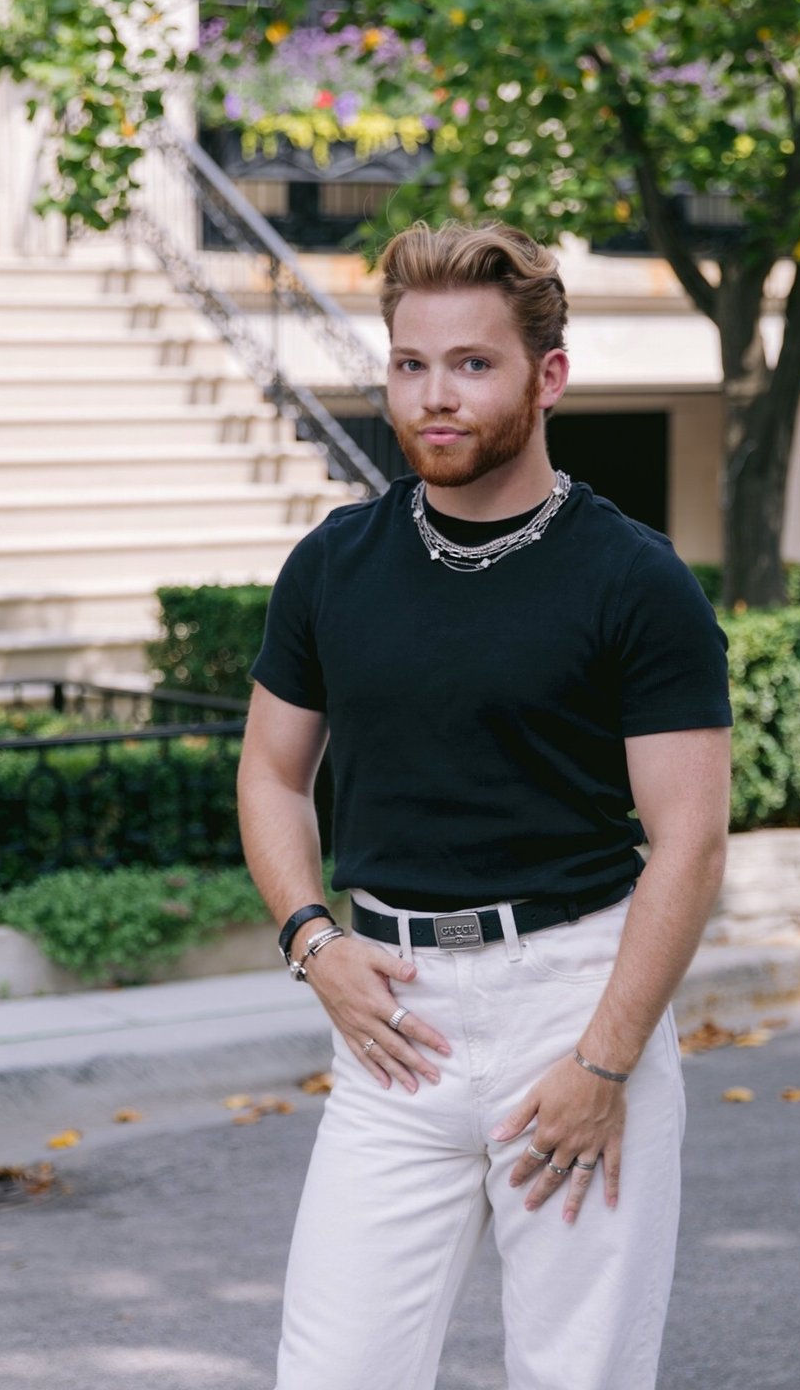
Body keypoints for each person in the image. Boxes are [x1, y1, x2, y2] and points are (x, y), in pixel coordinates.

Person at [237, 219, 733, 1390]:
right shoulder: (332, 565)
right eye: (410, 365)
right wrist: (313, 942)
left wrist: (604, 1064)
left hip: (573, 1000)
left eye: (472, 364)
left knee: (579, 1373)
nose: (433, 397)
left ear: (545, 377)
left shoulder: (635, 579)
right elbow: (269, 772)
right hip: (391, 1021)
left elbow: (690, 839)